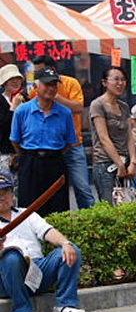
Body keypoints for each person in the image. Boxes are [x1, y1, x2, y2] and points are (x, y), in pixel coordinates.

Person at [0, 171, 85, 312]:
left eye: (5, 192)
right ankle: (22, 311)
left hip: (38, 270)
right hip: (8, 277)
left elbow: (48, 231)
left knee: (71, 250)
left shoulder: (27, 214)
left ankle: (65, 305)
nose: (1, 197)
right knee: (11, 256)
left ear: (12, 194)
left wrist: (65, 243)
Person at [31, 56, 94, 209]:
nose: (37, 76)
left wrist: (53, 94)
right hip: (49, 147)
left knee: (83, 188)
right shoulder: (35, 88)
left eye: (40, 72)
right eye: (36, 73)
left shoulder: (71, 83)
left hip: (73, 145)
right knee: (50, 190)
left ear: (52, 70)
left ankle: (91, 223)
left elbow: (78, 107)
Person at [10, 68, 76, 216]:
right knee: (29, 208)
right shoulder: (22, 111)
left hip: (55, 162)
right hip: (30, 162)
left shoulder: (65, 113)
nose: (51, 88)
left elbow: (70, 142)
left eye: (54, 84)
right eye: (47, 84)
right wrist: (27, 156)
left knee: (58, 207)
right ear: (36, 86)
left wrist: (53, 153)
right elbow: (15, 140)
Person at [90, 66, 136, 203]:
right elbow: (103, 138)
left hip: (125, 163)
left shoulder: (124, 106)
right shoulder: (97, 104)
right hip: (105, 164)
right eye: (116, 79)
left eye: (123, 80)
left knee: (128, 205)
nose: (120, 83)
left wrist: (133, 161)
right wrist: (119, 163)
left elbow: (129, 135)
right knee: (109, 206)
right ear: (105, 82)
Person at [0, 64, 26, 173]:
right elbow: (3, 126)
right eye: (11, 79)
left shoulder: (24, 99)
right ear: (4, 82)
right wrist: (13, 108)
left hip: (22, 152)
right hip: (5, 154)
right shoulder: (1, 100)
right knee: (7, 188)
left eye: (18, 79)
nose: (16, 82)